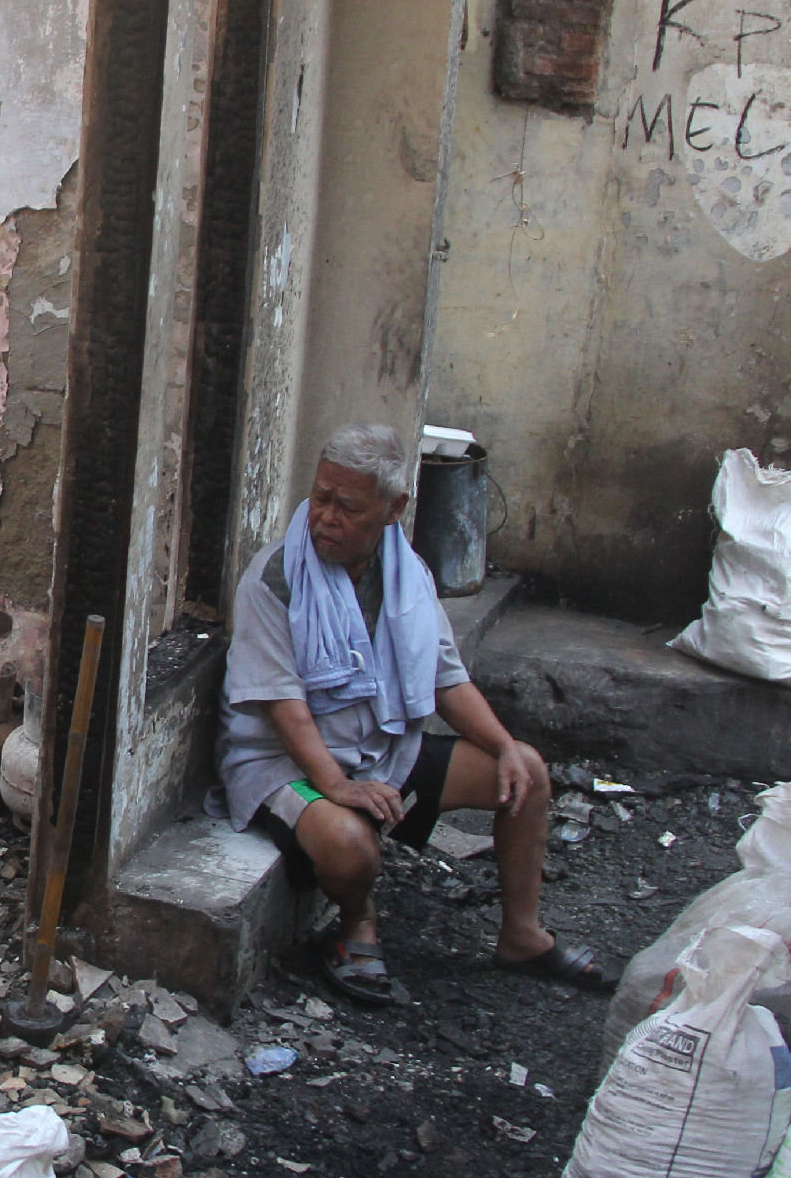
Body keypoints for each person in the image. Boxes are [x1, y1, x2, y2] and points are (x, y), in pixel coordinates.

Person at [217, 423, 611, 1007]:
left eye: (346, 507)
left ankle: (522, 935)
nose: (324, 517)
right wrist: (336, 786)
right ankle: (355, 923)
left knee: (525, 773)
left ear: (393, 508)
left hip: (380, 748)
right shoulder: (276, 576)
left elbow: (445, 677)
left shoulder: (408, 576)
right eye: (320, 497)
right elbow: (283, 704)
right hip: (285, 763)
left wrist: (504, 746)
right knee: (351, 845)